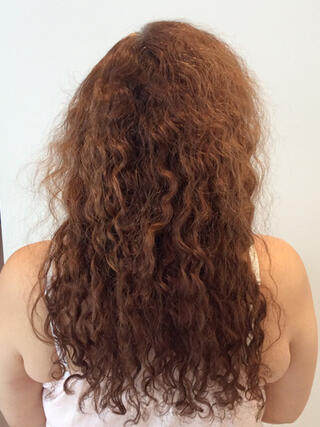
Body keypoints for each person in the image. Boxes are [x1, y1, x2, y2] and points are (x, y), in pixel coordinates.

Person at [0, 20, 317, 427]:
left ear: (89, 149)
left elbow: (23, 419)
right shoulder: (277, 271)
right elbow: (283, 411)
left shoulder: (29, 279)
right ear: (226, 154)